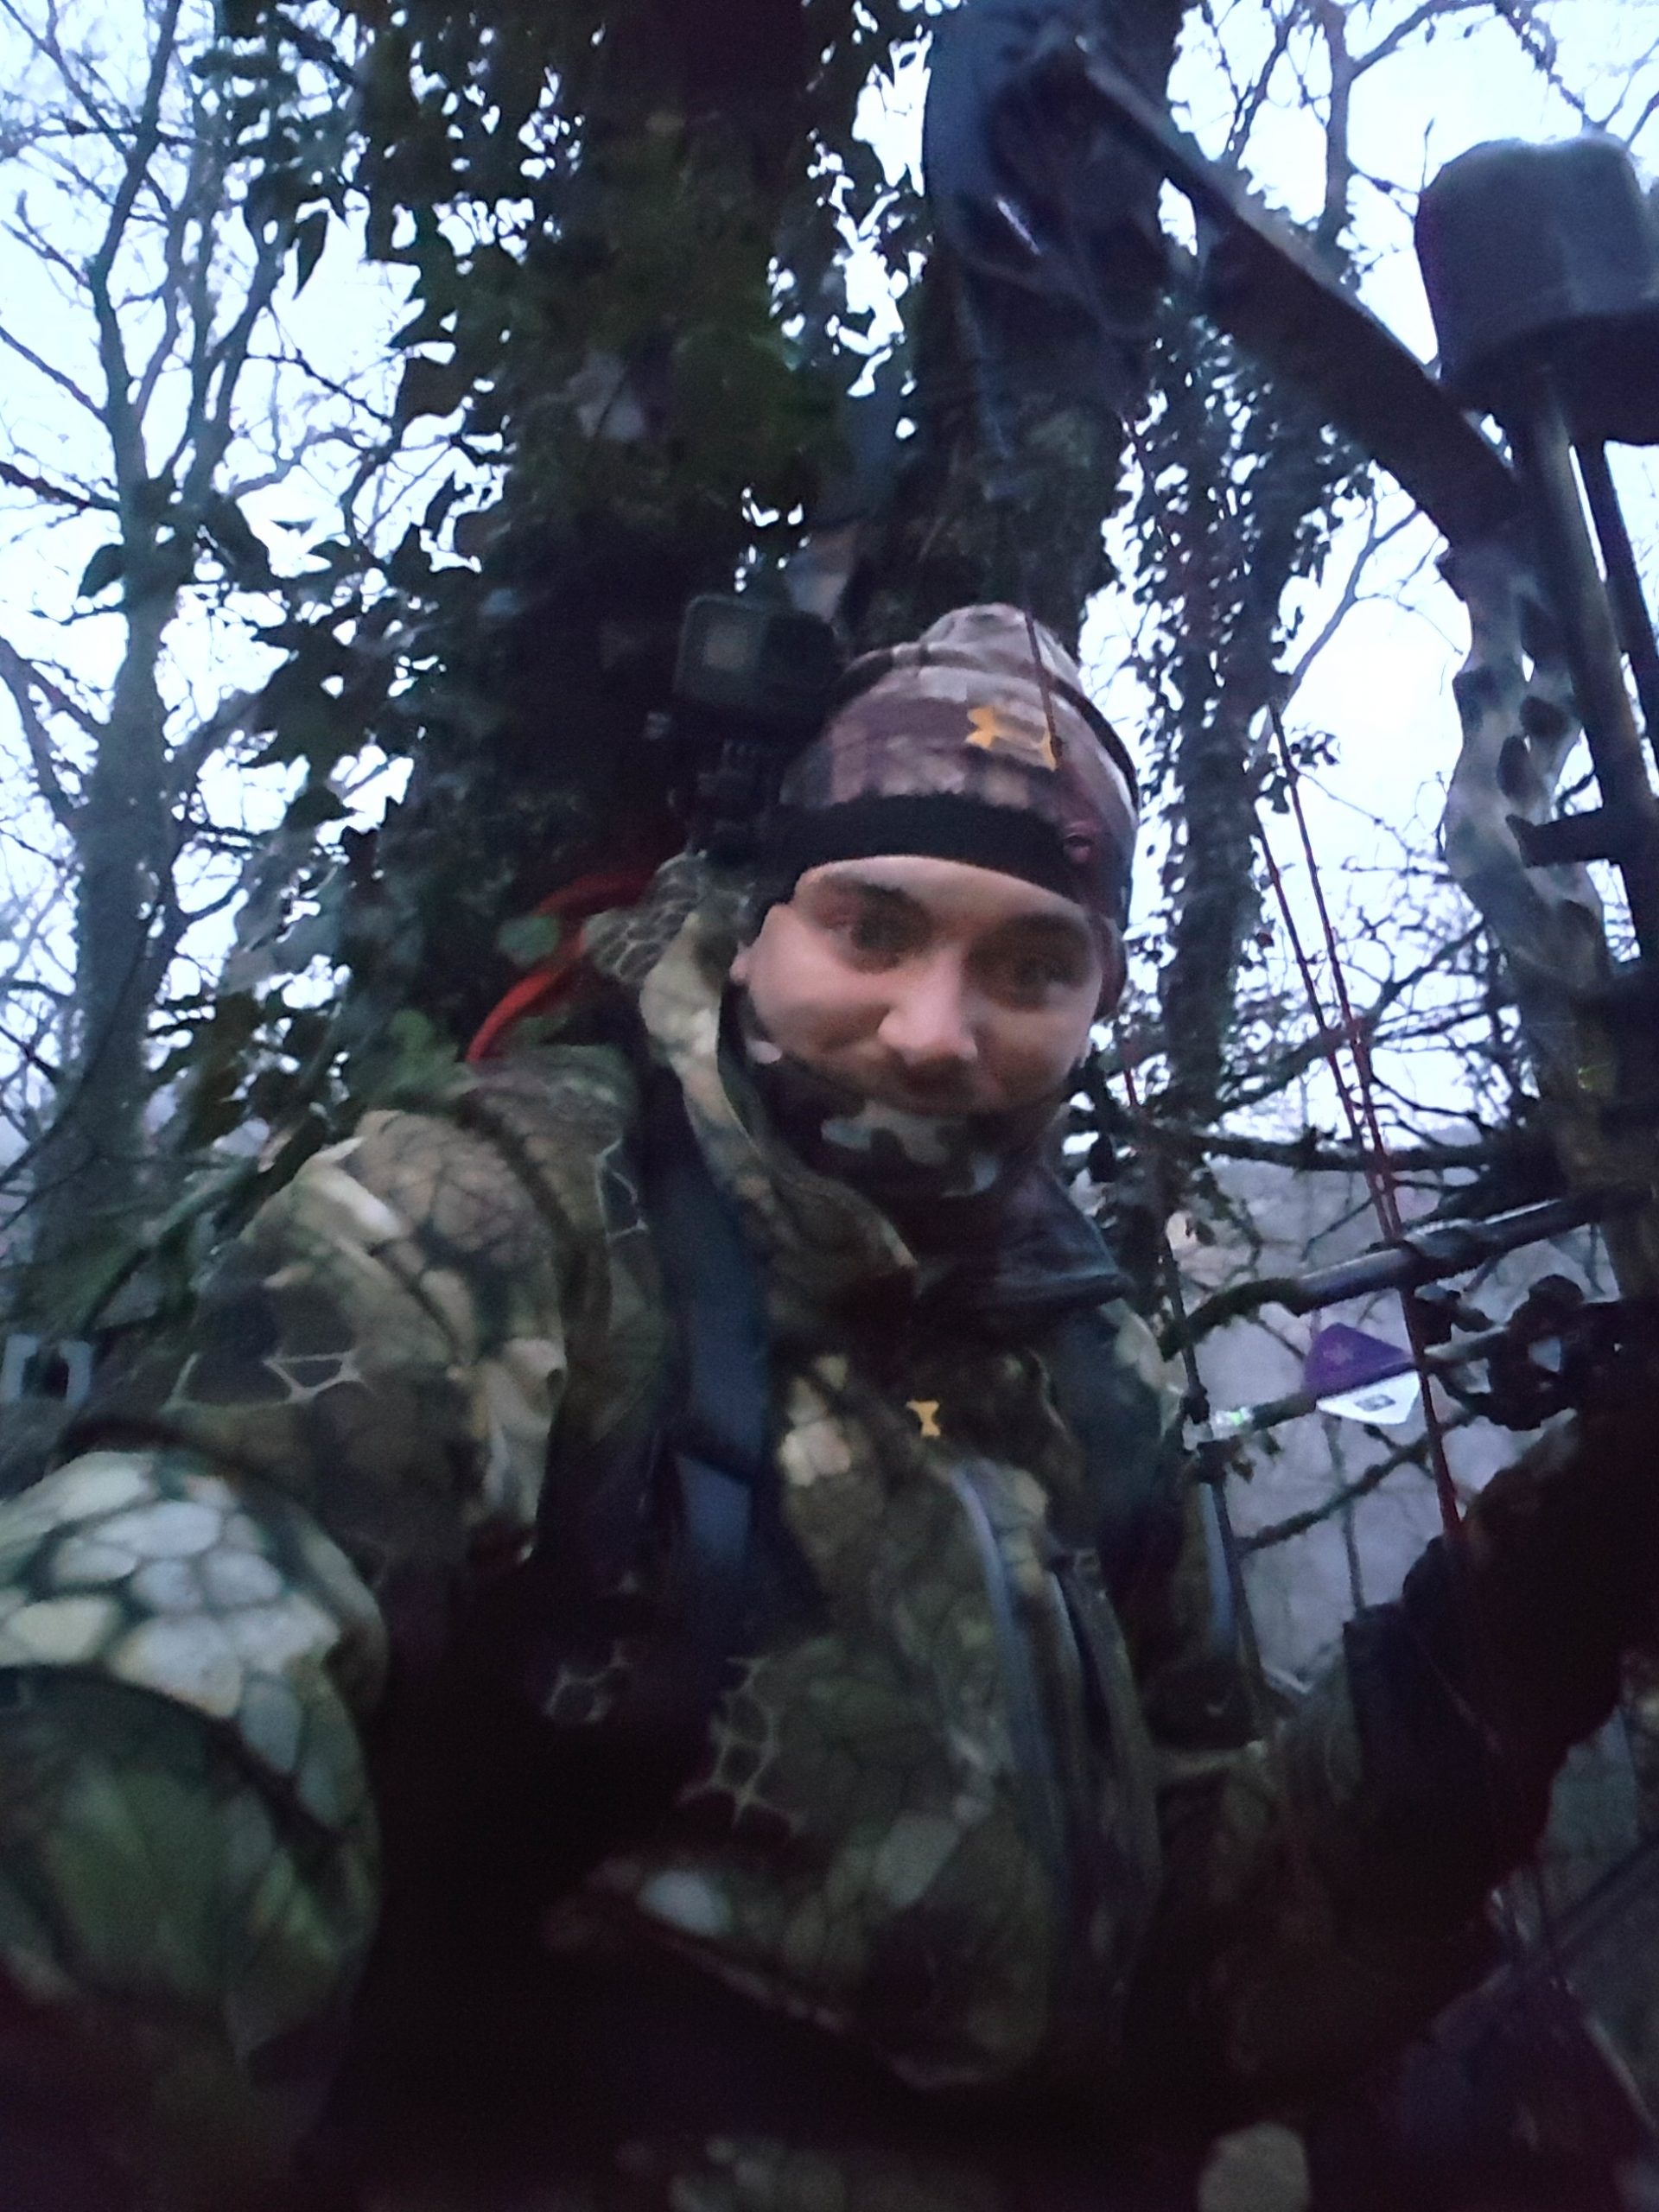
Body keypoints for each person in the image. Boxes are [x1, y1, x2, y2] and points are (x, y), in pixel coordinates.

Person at [0, 604, 1652, 2212]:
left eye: (1031, 966)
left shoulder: (1087, 1366)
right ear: (756, 920)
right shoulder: (495, 1219)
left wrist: (1515, 1625)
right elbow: (172, 1640)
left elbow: (1210, 1955)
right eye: (873, 929)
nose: (933, 1034)